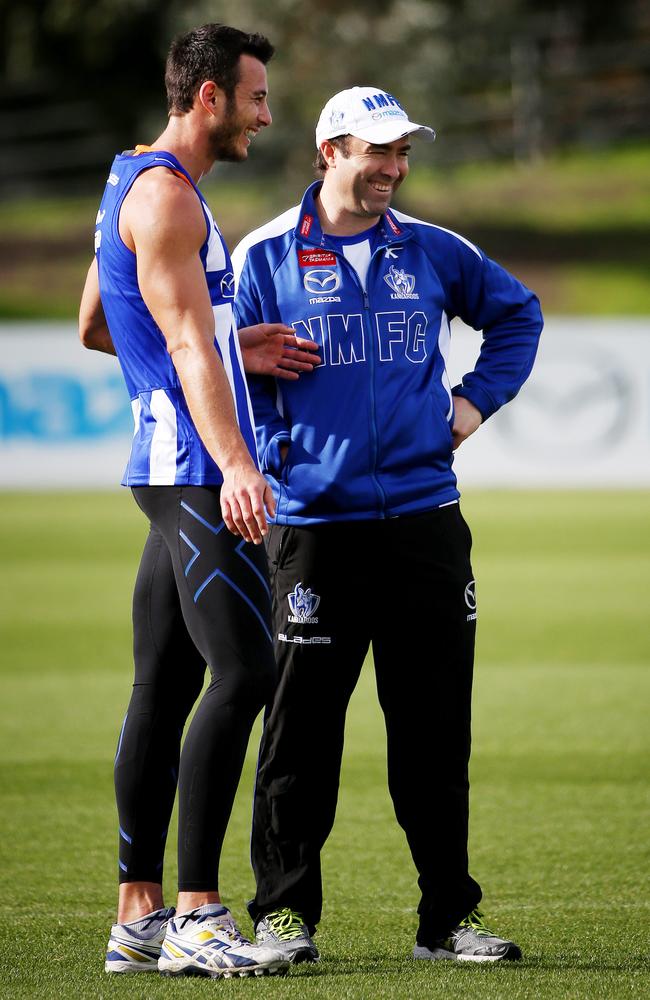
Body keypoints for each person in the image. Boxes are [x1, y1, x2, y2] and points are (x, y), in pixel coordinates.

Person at [232, 85, 543, 965]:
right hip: (313, 529)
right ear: (330, 151)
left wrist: (472, 404)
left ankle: (448, 920)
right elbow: (215, 366)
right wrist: (257, 454)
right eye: (378, 152)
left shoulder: (437, 250)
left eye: (403, 153)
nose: (394, 169)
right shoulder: (262, 258)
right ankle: (284, 915)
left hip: (425, 525)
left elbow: (518, 315)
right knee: (299, 734)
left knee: (436, 731)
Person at [78, 23, 319, 980]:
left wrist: (234, 343)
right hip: (192, 470)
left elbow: (101, 319)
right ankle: (197, 913)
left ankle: (138, 917)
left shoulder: (127, 180)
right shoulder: (173, 201)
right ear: (210, 97)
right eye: (256, 96)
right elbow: (179, 344)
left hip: (163, 459)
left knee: (166, 685)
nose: (267, 113)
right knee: (248, 673)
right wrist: (237, 462)